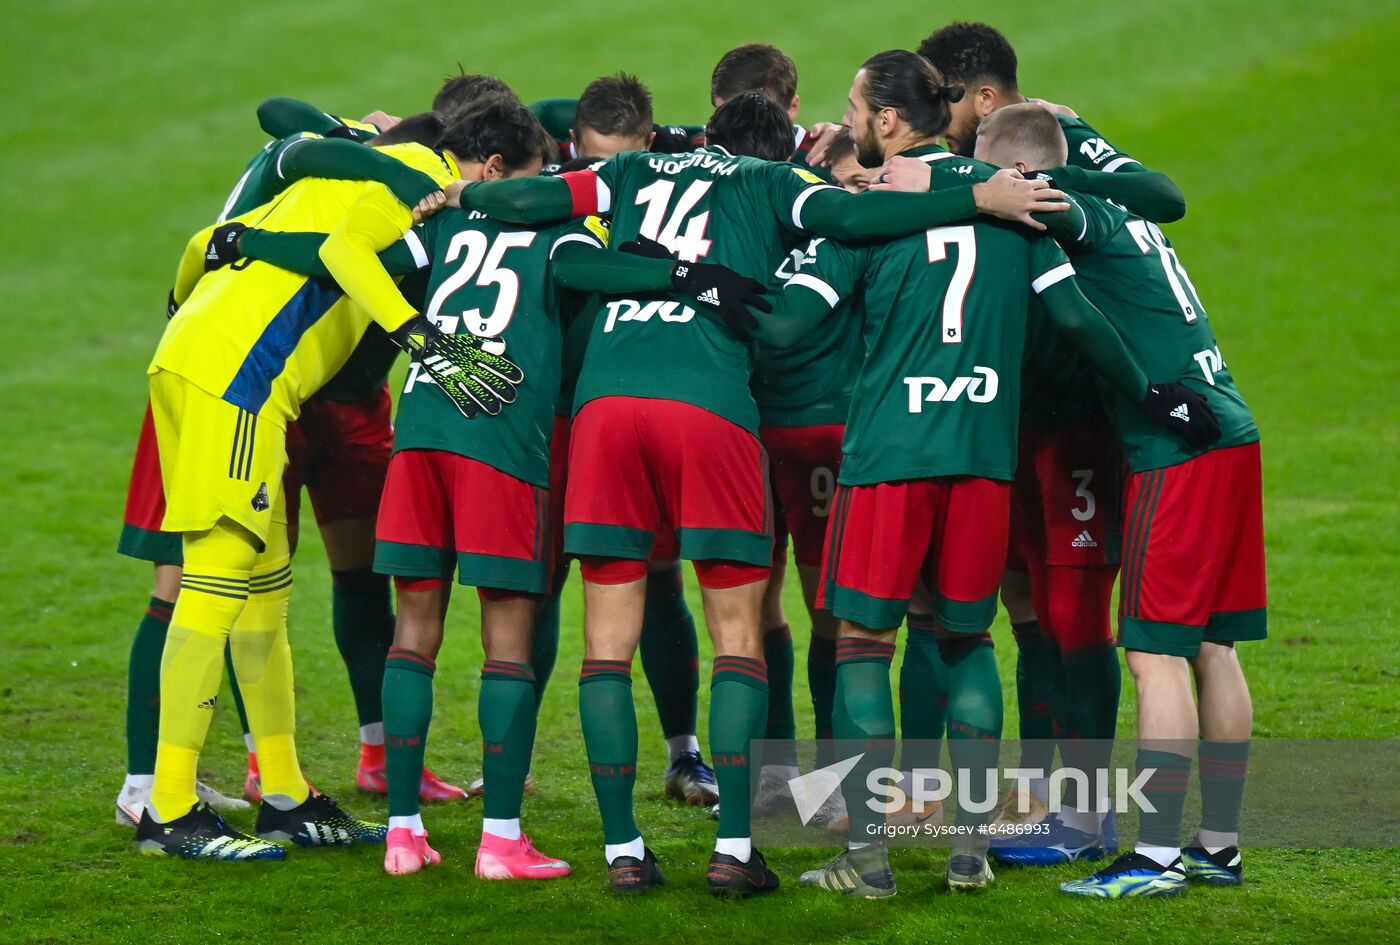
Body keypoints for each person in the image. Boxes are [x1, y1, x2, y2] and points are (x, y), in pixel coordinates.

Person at [448, 85, 1079, 897]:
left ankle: (623, 852)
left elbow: (533, 195)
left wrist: (464, 190)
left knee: (605, 646)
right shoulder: (773, 183)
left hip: (606, 410)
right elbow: (851, 223)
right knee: (743, 635)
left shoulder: (631, 170)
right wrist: (980, 193)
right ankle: (739, 846)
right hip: (714, 410)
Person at [772, 51, 1216, 899]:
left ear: (890, 121)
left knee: (866, 646)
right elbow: (1080, 320)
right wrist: (1156, 392)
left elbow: (791, 324)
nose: (851, 120)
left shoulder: (870, 214)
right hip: (982, 461)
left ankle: (867, 862)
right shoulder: (1012, 214)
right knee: (969, 640)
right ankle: (968, 852)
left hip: (890, 459)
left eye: (857, 107)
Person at [133, 121, 487, 860]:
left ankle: (287, 792)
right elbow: (341, 254)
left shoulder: (319, 187)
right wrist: (413, 329)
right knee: (216, 579)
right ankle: (168, 806)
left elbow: (205, 241)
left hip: (195, 361)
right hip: (241, 383)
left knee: (264, 585)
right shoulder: (416, 177)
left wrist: (186, 314)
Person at [974, 102, 1262, 899]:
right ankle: (1219, 846)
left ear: (1023, 171)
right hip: (1231, 427)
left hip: (1177, 447)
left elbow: (1064, 290)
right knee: (1212, 647)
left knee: (1154, 652)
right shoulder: (1130, 213)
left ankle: (1158, 856)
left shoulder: (1067, 211)